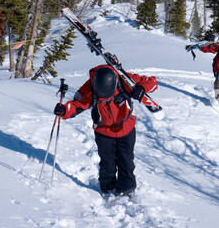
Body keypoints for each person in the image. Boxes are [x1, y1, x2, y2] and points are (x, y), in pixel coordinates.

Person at [56, 64, 158, 196]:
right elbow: (78, 104)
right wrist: (64, 110)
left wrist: (142, 88)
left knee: (126, 161)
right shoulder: (89, 87)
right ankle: (107, 190)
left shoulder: (124, 79)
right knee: (107, 163)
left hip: (126, 128)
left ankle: (127, 189)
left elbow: (153, 82)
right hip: (103, 131)